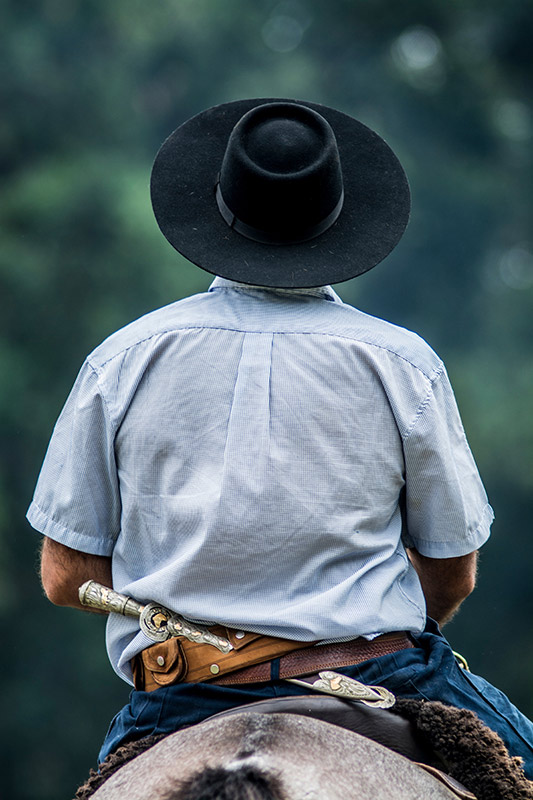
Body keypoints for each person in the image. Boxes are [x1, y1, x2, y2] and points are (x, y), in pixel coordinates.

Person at [27, 98, 533, 775]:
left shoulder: (121, 360)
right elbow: (451, 570)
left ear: (216, 204)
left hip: (181, 693)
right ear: (338, 215)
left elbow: (67, 576)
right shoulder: (402, 362)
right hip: (374, 673)